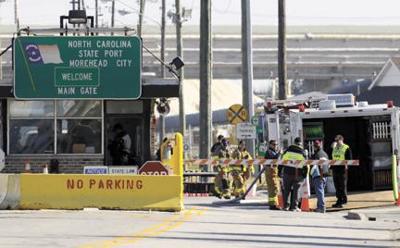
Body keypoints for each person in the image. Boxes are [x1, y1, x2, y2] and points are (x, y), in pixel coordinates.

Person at [281, 137, 307, 211]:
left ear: (294, 142)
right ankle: (294, 207)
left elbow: (282, 161)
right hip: (298, 174)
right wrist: (305, 174)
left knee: (287, 190)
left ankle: (286, 206)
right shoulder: (302, 152)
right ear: (300, 143)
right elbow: (305, 164)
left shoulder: (287, 150)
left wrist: (279, 172)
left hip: (287, 172)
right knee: (297, 190)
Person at [331, 134, 352, 208]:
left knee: (342, 186)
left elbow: (349, 160)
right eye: (335, 141)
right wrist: (332, 147)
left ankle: (343, 200)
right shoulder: (335, 148)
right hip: (335, 170)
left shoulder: (346, 148)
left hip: (342, 170)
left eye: (337, 141)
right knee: (337, 186)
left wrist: (346, 167)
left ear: (341, 140)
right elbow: (331, 158)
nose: (336, 142)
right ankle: (339, 200)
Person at [310, 140, 329, 213]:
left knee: (319, 192)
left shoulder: (316, 155)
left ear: (314, 147)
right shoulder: (325, 153)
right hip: (325, 174)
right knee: (321, 192)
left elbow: (314, 165)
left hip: (318, 175)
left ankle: (321, 208)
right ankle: (319, 207)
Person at [264, 139, 281, 210]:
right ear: (270, 145)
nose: (275, 146)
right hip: (270, 172)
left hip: (273, 172)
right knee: (273, 188)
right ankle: (273, 205)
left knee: (274, 188)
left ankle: (273, 204)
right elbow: (274, 159)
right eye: (274, 144)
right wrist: (279, 153)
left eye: (276, 145)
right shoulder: (269, 152)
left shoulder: (273, 151)